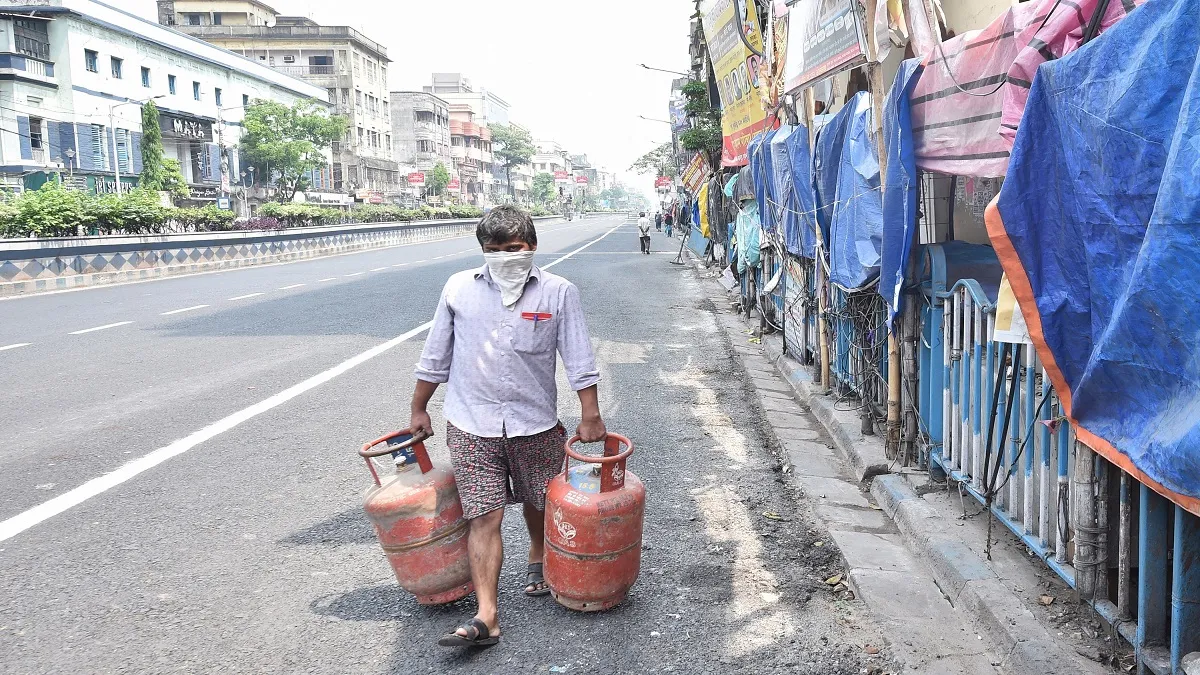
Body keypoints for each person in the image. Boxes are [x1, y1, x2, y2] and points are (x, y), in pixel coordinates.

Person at [410, 205, 607, 648]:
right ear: (483, 250)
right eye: (494, 249)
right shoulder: (458, 288)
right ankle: (487, 615)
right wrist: (419, 408)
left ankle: (538, 551)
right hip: (471, 423)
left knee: (539, 500)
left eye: (514, 248)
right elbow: (436, 353)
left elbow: (578, 357)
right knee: (484, 515)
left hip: (535, 423)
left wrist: (590, 414)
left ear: (532, 246)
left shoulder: (558, 292)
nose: (504, 257)